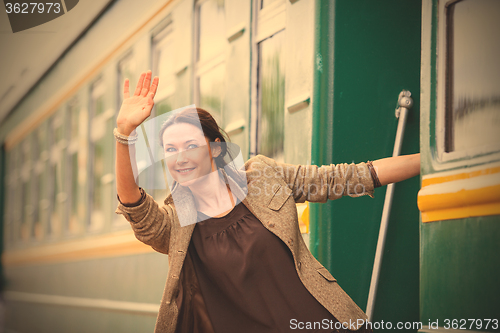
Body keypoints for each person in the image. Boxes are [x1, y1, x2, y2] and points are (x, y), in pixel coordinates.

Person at [114, 71, 420, 333]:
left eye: (191, 145)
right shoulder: (176, 223)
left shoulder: (262, 175)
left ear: (217, 150)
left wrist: (428, 161)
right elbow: (135, 208)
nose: (179, 158)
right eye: (170, 149)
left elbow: (344, 177)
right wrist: (125, 134)